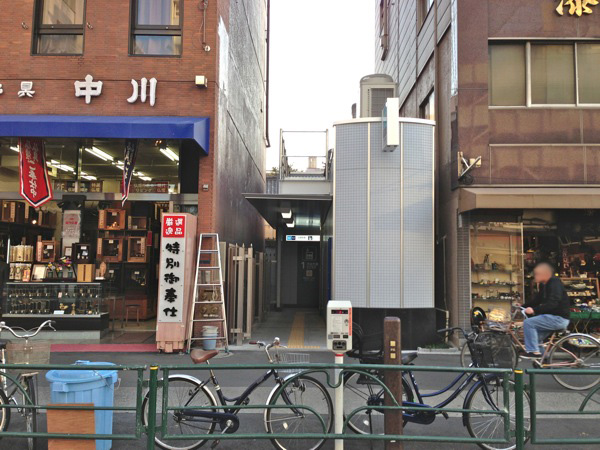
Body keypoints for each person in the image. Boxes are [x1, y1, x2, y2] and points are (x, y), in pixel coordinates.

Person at [520, 262, 570, 359]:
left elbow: (553, 302)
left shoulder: (554, 283)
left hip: (558, 318)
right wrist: (522, 306)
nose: (534, 276)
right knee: (536, 339)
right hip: (552, 318)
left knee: (529, 323)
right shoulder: (545, 285)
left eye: (537, 274)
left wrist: (534, 310)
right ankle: (544, 361)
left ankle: (533, 351)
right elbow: (537, 300)